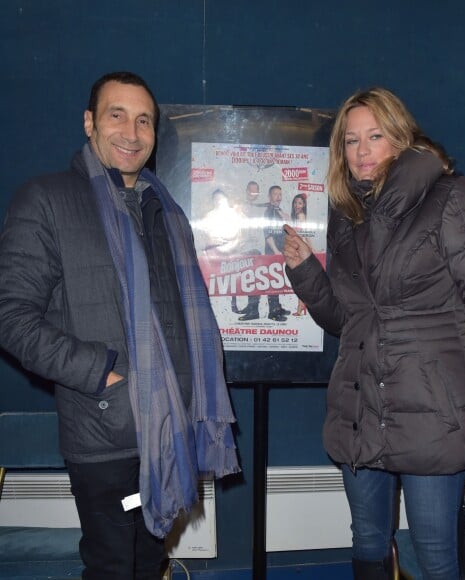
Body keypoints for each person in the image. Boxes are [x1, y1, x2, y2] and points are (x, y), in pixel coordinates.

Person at [0, 71, 239, 580]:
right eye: (117, 115)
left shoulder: (166, 211)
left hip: (169, 427)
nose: (131, 131)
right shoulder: (46, 199)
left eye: (144, 120)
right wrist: (101, 373)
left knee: (149, 564)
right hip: (105, 431)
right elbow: (10, 315)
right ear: (89, 123)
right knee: (113, 568)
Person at [283, 87, 465, 580]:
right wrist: (304, 271)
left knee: (435, 555)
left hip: (431, 410)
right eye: (350, 141)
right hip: (361, 408)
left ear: (401, 137)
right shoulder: (348, 216)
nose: (362, 151)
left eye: (375, 136)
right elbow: (349, 322)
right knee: (367, 541)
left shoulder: (450, 196)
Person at [234, 180, 268, 320]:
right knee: (246, 280)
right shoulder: (239, 208)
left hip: (255, 249)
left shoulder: (262, 209)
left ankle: (254, 311)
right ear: (246, 191)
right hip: (242, 248)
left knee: (253, 280)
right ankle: (251, 306)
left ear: (258, 193)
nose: (252, 193)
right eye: (250, 190)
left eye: (255, 191)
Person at [264, 185, 291, 321]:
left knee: (277, 280)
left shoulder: (278, 211)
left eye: (280, 194)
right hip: (272, 252)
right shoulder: (268, 212)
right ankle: (273, 313)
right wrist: (275, 251)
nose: (278, 197)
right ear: (269, 196)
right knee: (272, 281)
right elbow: (267, 234)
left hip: (280, 251)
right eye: (275, 194)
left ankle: (277, 307)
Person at [290, 193, 308, 317]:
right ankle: (301, 307)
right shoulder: (297, 216)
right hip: (300, 250)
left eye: (300, 203)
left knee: (300, 281)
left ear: (304, 205)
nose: (297, 205)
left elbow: (303, 235)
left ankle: (300, 308)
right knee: (300, 281)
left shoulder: (300, 216)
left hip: (300, 251)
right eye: (295, 202)